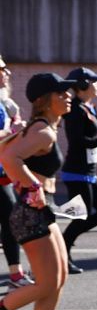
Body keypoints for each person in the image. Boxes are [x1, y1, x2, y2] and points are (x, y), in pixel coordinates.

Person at [0, 73, 76, 310]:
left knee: (60, 276)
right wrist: (31, 185)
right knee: (45, 284)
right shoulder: (42, 131)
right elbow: (8, 158)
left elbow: (5, 153)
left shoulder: (41, 127)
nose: (69, 96)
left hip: (44, 210)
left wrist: (28, 184)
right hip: (31, 214)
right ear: (47, 99)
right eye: (62, 92)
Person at [60, 67, 97, 275]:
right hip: (76, 172)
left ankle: (66, 241)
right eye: (94, 81)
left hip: (90, 171)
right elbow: (77, 142)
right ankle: (63, 250)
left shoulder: (89, 107)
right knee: (81, 217)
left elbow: (89, 141)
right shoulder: (74, 110)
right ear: (83, 85)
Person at [0, 55, 32, 291]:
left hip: (3, 173)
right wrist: (13, 130)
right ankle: (15, 275)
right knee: (12, 220)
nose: (7, 73)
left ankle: (15, 275)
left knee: (10, 221)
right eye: (2, 70)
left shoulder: (5, 102)